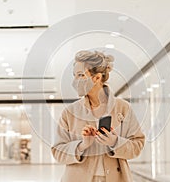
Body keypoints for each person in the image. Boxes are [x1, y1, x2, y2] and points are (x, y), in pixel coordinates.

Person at [51, 50, 145, 182]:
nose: (75, 81)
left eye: (80, 75)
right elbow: (57, 151)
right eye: (74, 76)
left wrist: (115, 142)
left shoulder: (123, 108)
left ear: (96, 78)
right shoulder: (69, 112)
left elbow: (137, 146)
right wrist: (82, 146)